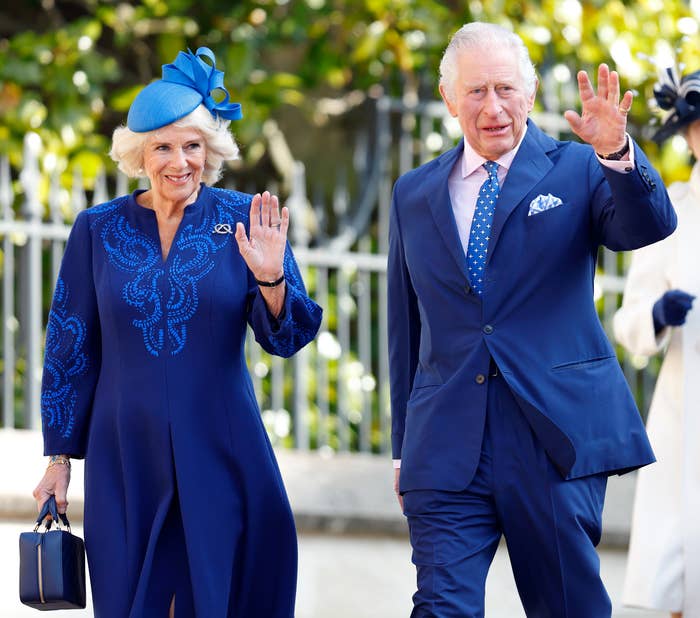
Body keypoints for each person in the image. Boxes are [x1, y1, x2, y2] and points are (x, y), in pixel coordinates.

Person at [388, 21, 677, 617]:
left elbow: (647, 226)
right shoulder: (413, 193)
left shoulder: (577, 168)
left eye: (505, 90)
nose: (493, 108)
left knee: (566, 606)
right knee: (440, 607)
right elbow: (404, 328)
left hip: (553, 436)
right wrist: (401, 447)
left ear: (530, 95)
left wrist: (617, 154)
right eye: (476, 92)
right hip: (446, 442)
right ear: (448, 99)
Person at [31, 46, 322, 618]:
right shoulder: (97, 228)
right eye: (163, 146)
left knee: (215, 596)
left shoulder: (245, 217)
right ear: (139, 154)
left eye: (193, 145)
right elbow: (69, 345)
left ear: (210, 150)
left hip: (221, 447)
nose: (179, 161)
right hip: (125, 457)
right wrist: (59, 459)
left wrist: (269, 278)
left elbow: (289, 335)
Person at [614, 66, 700, 618]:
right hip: (685, 417)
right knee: (679, 574)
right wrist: (658, 315)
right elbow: (629, 322)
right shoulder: (672, 210)